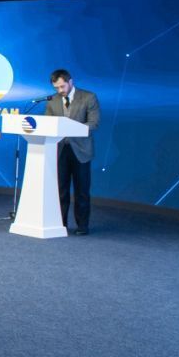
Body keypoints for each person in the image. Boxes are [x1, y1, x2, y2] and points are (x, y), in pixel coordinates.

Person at [44, 69, 101, 235]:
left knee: (81, 190)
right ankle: (59, 224)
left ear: (70, 81)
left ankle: (82, 226)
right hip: (59, 149)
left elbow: (94, 123)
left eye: (62, 86)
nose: (60, 90)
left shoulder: (88, 97)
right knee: (60, 190)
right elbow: (47, 124)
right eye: (56, 87)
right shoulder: (53, 101)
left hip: (81, 150)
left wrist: (71, 128)